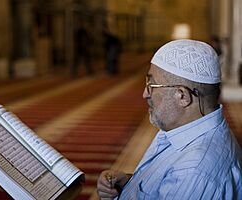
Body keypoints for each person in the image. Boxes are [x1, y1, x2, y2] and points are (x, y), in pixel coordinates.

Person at [97, 39, 242, 199]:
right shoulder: (186, 129)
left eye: (152, 85)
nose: (145, 93)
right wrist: (130, 183)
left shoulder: (192, 172)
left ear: (182, 96)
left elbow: (188, 182)